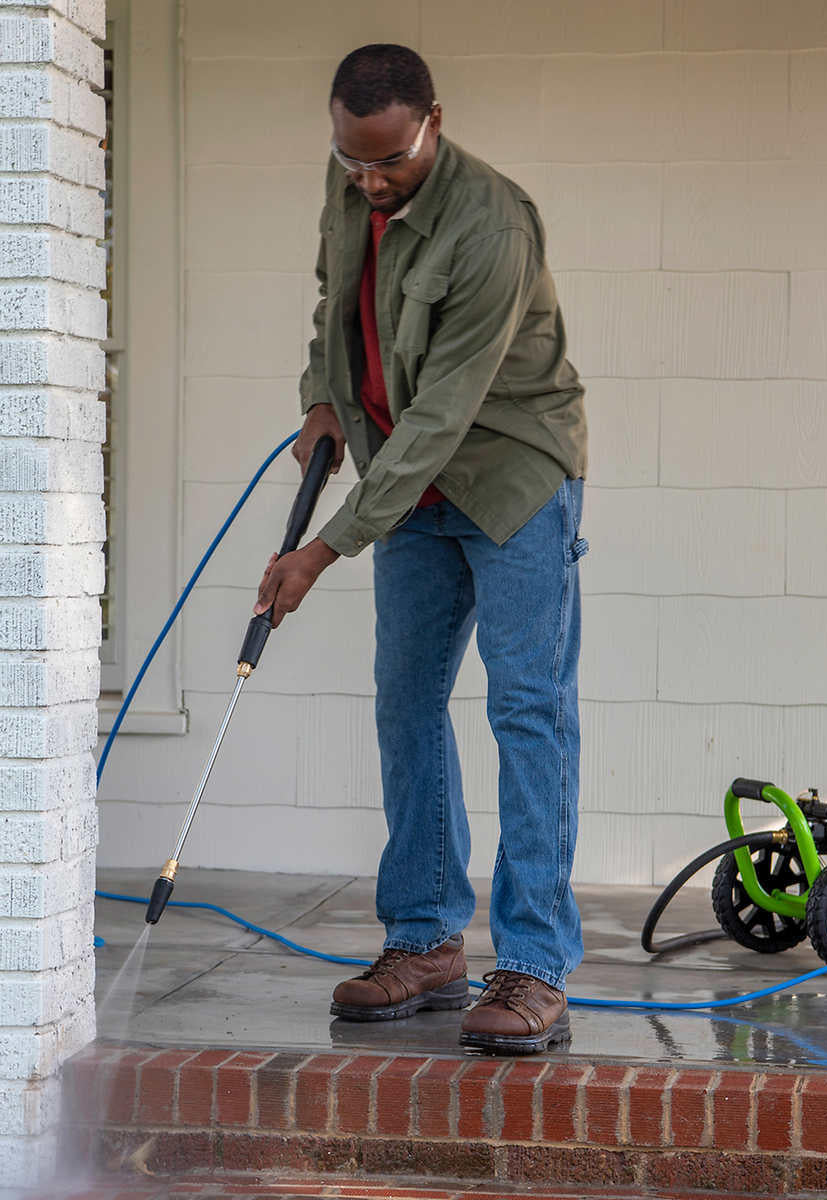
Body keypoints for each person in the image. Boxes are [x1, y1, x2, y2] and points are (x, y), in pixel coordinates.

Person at [253, 44, 588, 1055]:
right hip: (408, 478)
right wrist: (320, 394)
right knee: (405, 701)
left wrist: (323, 549)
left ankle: (534, 967)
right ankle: (427, 941)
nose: (370, 180)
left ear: (431, 122)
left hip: (510, 478)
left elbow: (443, 414)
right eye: (353, 161)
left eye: (389, 162)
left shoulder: (494, 222)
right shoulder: (348, 170)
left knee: (527, 710)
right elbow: (333, 300)